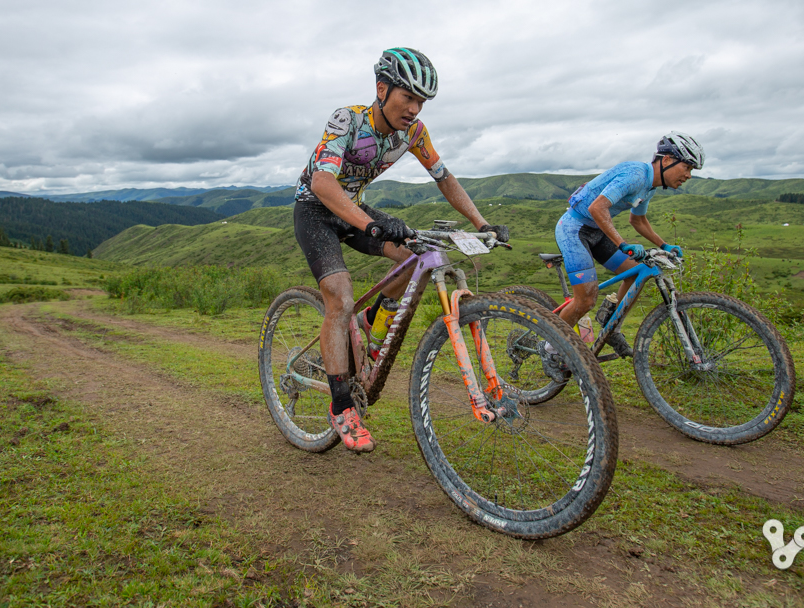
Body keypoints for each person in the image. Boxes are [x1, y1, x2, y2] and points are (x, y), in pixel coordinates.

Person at [293, 47, 508, 453]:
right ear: (381, 89)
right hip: (316, 209)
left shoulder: (414, 133)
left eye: (420, 101)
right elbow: (323, 183)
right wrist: (371, 223)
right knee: (339, 296)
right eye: (406, 97)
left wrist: (482, 223)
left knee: (415, 259)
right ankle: (342, 407)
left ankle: (373, 324)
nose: (413, 108)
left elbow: (444, 178)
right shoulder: (349, 120)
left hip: (353, 207)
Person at [553, 133, 704, 358]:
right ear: (666, 160)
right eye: (687, 167)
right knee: (585, 300)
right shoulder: (636, 175)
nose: (688, 176)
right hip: (574, 228)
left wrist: (664, 244)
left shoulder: (649, 187)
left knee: (634, 274)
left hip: (597, 230)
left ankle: (611, 324)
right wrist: (623, 244)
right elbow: (597, 208)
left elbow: (638, 220)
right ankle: (551, 349)